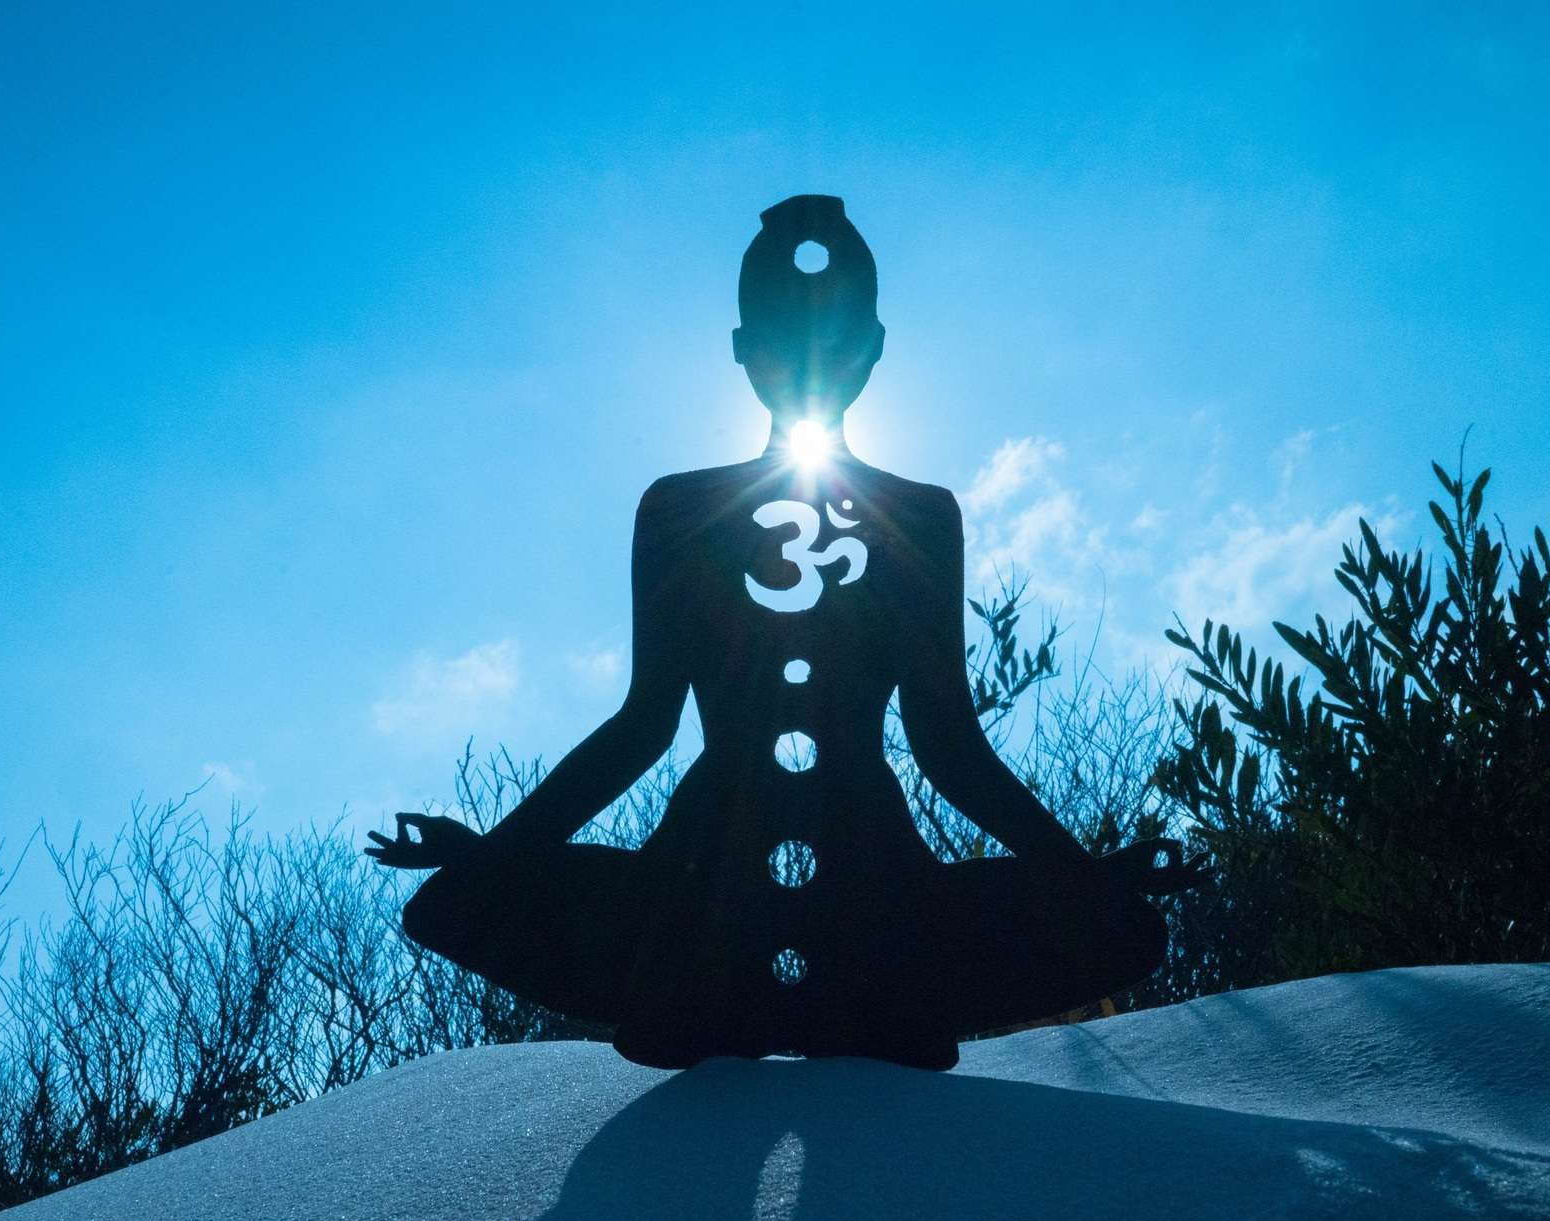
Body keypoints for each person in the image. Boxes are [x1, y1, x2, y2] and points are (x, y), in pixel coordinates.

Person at [367, 195, 1197, 1070]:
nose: (810, 364)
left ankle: (851, 997)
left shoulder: (919, 516)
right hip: (704, 875)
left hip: (873, 878)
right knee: (459, 907)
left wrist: (1086, 874)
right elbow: (643, 725)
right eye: (783, 344)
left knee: (1122, 929)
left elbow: (947, 742)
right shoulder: (681, 510)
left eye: (835, 344)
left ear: (874, 351)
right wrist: (495, 854)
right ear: (741, 352)